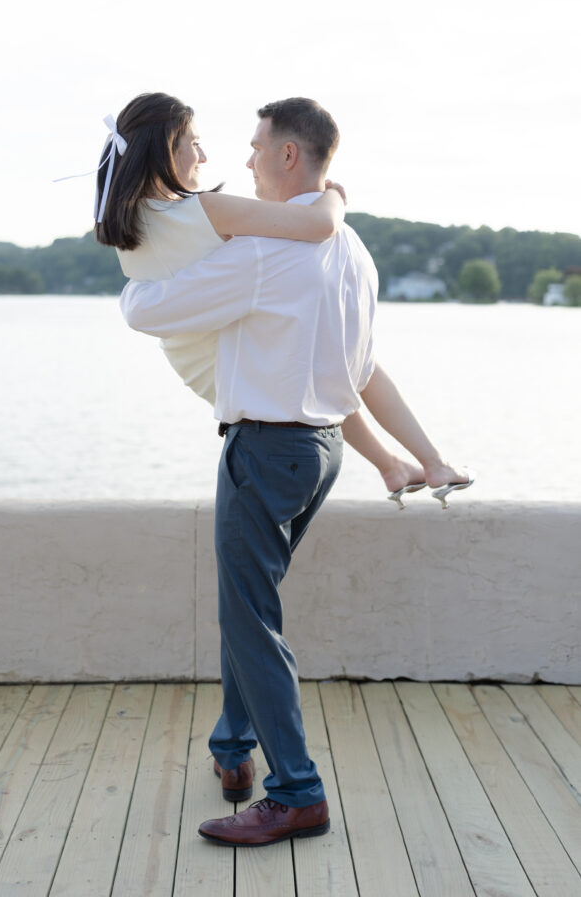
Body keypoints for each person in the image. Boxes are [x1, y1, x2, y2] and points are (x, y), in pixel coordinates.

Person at [118, 96, 470, 847]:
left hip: (266, 452)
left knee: (250, 622)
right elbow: (363, 369)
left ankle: (297, 794)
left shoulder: (258, 254)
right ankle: (232, 749)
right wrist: (417, 455)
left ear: (287, 156)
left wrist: (137, 277)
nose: (241, 161)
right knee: (251, 609)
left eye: (253, 147)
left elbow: (144, 313)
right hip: (322, 454)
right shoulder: (354, 252)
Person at [93, 92, 471, 509]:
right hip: (229, 350)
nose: (203, 156)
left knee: (335, 357)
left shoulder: (130, 218)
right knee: (340, 359)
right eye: (194, 143)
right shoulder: (206, 209)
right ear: (167, 151)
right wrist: (334, 195)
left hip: (197, 349)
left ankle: (392, 464)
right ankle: (416, 461)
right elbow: (318, 223)